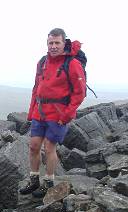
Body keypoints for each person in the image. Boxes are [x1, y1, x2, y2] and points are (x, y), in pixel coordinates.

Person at [19, 28, 86, 197]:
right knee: (34, 146)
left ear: (64, 43)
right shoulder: (42, 62)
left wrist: (67, 115)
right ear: (47, 43)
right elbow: (36, 88)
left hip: (58, 114)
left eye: (57, 43)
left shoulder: (72, 64)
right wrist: (31, 111)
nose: (54, 46)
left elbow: (80, 92)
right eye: (51, 43)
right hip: (40, 112)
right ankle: (34, 180)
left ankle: (48, 182)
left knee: (49, 148)